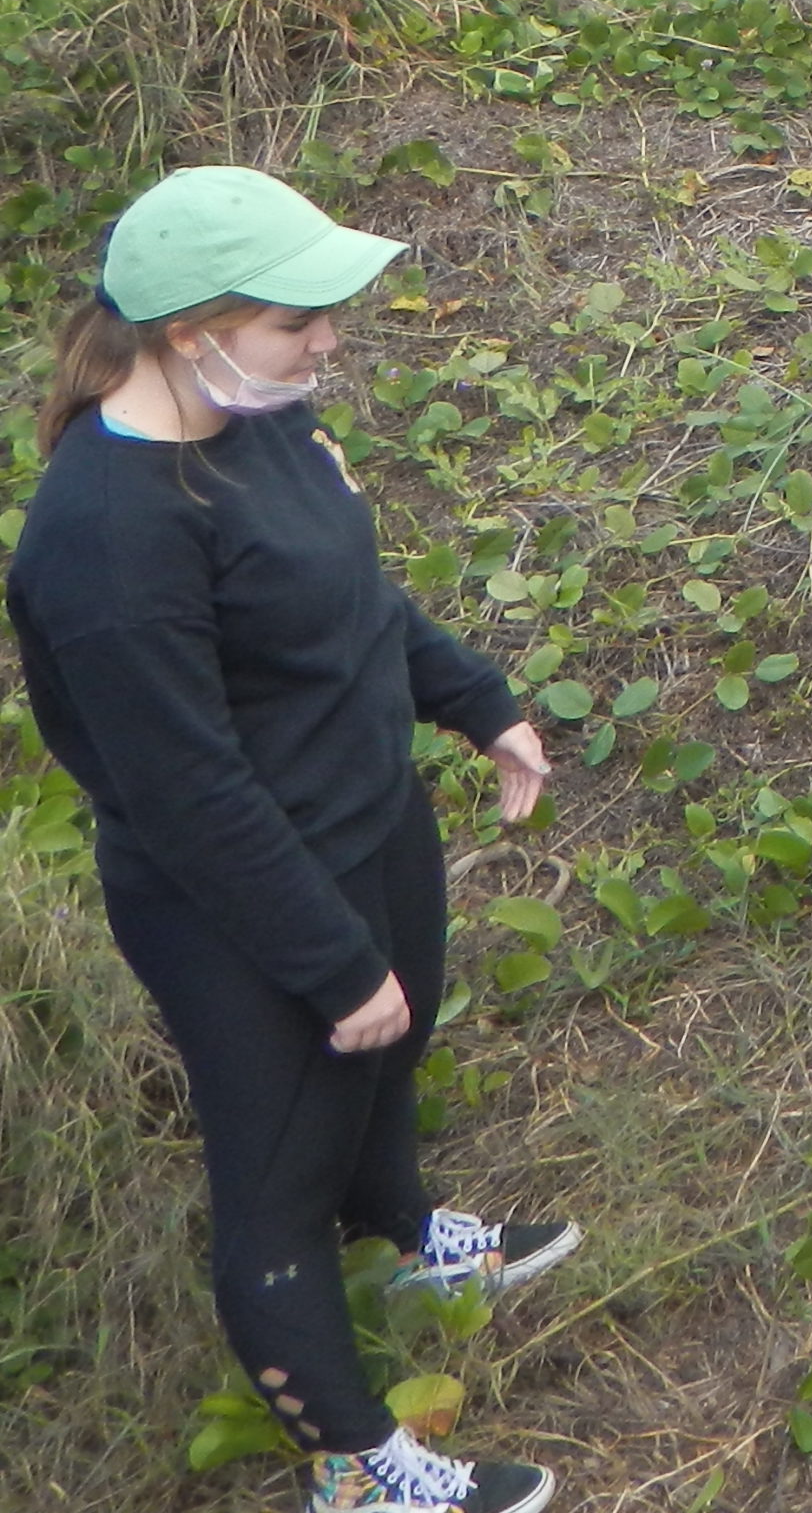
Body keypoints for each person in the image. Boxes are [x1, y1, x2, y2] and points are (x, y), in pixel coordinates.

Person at [9, 170, 576, 1513]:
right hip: (241, 902)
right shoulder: (105, 537)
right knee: (279, 1169)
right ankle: (350, 1456)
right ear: (187, 330)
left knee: (396, 1053)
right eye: (294, 321)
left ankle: (405, 1233)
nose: (327, 342)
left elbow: (352, 604)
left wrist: (475, 703)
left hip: (365, 818)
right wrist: (328, 962)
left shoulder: (257, 426)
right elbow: (186, 793)